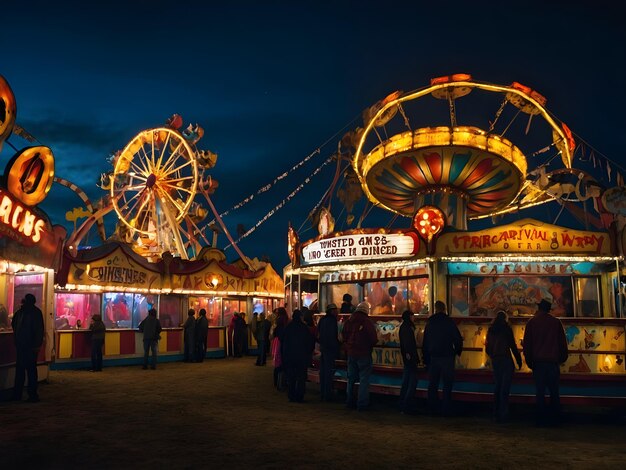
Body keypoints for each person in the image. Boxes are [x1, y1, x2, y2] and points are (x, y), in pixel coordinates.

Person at [523, 298, 569, 427]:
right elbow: (562, 344)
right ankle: (556, 419)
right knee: (554, 392)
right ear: (549, 309)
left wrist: (529, 361)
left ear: (539, 308)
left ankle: (540, 420)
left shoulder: (532, 323)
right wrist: (561, 359)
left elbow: (527, 344)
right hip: (553, 363)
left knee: (540, 392)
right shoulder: (556, 323)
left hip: (538, 363)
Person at [422, 300, 463, 416]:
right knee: (447, 384)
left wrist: (425, 358)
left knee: (433, 384)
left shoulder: (430, 323)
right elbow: (458, 339)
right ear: (444, 309)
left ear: (435, 309)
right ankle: (446, 409)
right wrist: (457, 352)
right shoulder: (449, 322)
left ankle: (432, 409)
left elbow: (425, 342)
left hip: (434, 356)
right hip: (447, 357)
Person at [486, 310, 522, 423]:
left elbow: (488, 348)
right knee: (505, 388)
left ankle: (495, 413)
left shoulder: (491, 330)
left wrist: (493, 356)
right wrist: (519, 360)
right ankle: (504, 413)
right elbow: (513, 346)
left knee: (497, 386)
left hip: (496, 360)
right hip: (506, 359)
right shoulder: (507, 329)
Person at [343, 301, 378, 411]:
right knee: (364, 379)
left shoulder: (349, 320)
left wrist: (348, 345)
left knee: (351, 378)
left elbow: (344, 334)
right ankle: (362, 404)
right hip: (363, 353)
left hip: (351, 353)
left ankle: (349, 401)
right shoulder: (367, 322)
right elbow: (373, 338)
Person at [11, 294, 44, 402]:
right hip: (30, 346)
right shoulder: (36, 313)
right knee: (31, 371)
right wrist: (37, 345)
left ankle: (18, 394)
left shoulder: (20, 312)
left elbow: (14, 325)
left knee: (21, 371)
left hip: (23, 345)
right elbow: (39, 330)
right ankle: (32, 395)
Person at [281, 310, 315, 402]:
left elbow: (284, 343)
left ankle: (291, 395)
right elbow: (309, 343)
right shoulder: (304, 328)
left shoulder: (288, 327)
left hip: (290, 356)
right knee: (301, 377)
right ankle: (300, 396)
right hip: (301, 357)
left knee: (291, 377)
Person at [317, 303, 340, 401]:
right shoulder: (333, 321)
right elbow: (334, 336)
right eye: (335, 310)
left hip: (323, 348)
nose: (337, 312)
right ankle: (327, 394)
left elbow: (318, 334)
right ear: (332, 311)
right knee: (328, 372)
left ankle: (323, 393)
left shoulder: (322, 320)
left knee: (323, 371)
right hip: (330, 349)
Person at [399, 310, 419, 414]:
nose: (414, 318)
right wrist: (410, 355)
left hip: (408, 358)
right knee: (412, 382)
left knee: (406, 381)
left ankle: (403, 404)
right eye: (413, 316)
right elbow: (409, 344)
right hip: (410, 358)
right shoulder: (408, 328)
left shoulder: (403, 327)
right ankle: (407, 404)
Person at [271, 307, 289, 390]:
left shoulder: (278, 321)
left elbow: (274, 333)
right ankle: (282, 382)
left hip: (278, 342)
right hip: (284, 342)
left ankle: (277, 381)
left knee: (277, 362)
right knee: (282, 362)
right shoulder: (287, 321)